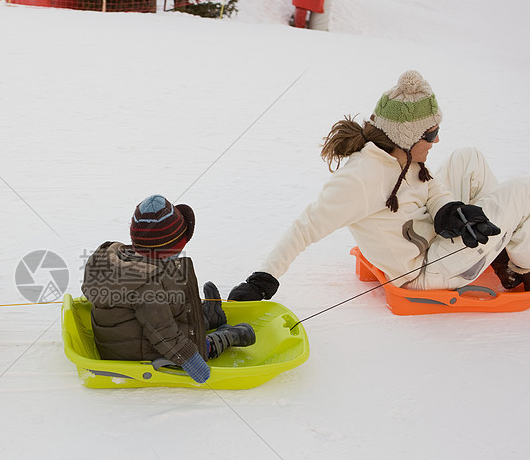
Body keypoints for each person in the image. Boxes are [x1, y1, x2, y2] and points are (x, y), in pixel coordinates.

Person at [229, 70, 530, 301]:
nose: (436, 140)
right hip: (424, 270)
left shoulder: (402, 156)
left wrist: (451, 211)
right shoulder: (361, 178)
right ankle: (523, 269)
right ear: (406, 136)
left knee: (469, 157)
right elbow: (306, 226)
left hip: (432, 239)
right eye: (431, 133)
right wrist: (263, 278)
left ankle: (501, 246)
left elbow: (431, 188)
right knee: (523, 189)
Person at [81, 195, 256, 384]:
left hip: (121, 339)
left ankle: (206, 317)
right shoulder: (147, 283)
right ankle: (224, 337)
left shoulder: (124, 259)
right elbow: (163, 332)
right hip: (137, 353)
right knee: (196, 345)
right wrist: (191, 360)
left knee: (170, 290)